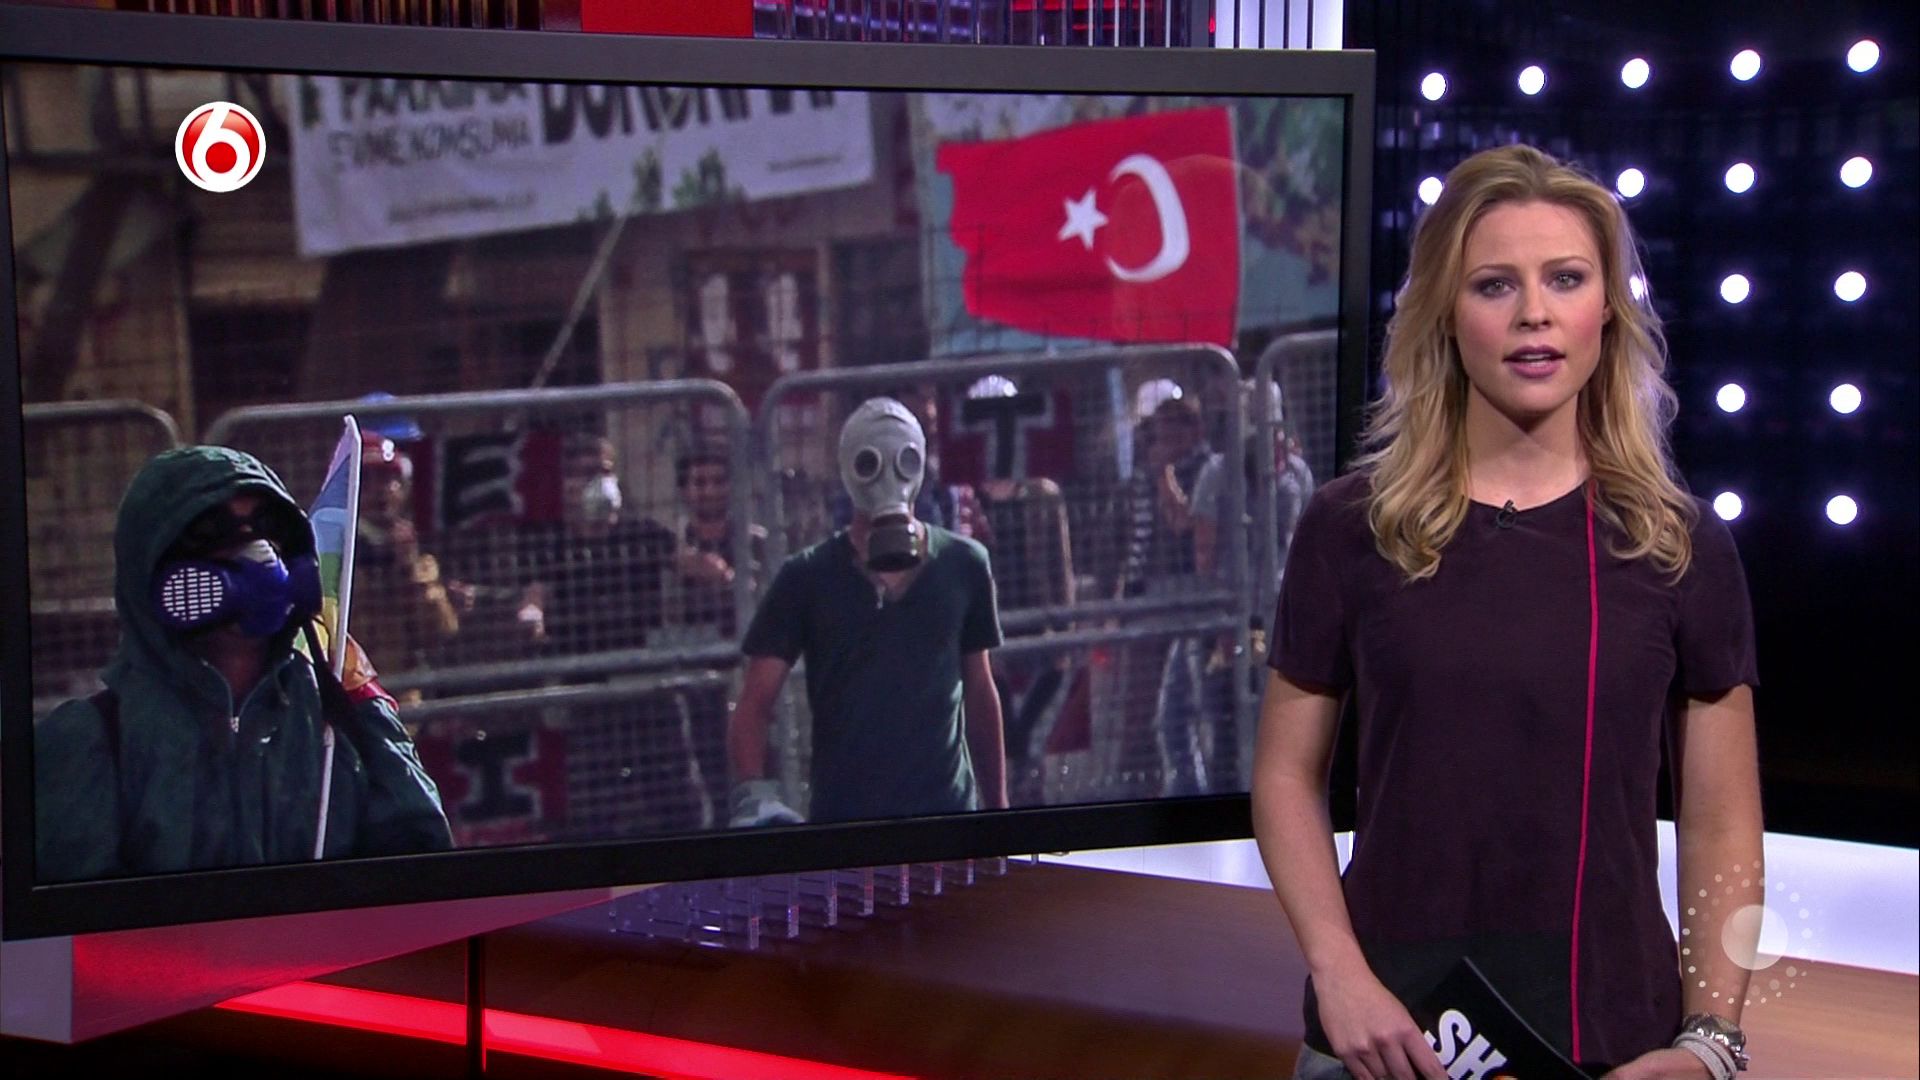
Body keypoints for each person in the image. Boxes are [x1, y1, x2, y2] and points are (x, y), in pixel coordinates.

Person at [1253, 144, 1761, 1080]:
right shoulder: (1351, 527)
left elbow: (1723, 824)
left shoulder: (1679, 545)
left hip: (1611, 1045)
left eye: (1565, 279)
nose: (1534, 312)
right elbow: (1286, 777)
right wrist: (1340, 975)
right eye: (1495, 284)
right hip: (1384, 1038)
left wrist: (1711, 1043)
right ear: (1445, 316)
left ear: (1607, 310)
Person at [34, 446, 454, 881]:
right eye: (213, 532)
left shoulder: (344, 716)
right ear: (152, 563)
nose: (258, 553)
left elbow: (421, 871)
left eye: (268, 526)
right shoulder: (93, 741)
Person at [728, 397, 1007, 826]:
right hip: (849, 825)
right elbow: (754, 702)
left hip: (948, 817)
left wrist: (998, 810)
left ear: (919, 466)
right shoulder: (808, 577)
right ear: (848, 470)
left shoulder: (964, 564)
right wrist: (755, 796)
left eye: (904, 462)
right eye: (869, 464)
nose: (889, 479)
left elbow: (980, 690)